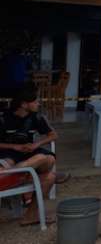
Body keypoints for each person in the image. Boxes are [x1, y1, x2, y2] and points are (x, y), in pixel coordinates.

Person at [0, 85, 70, 225]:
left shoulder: (37, 117)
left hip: (28, 154)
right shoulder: (3, 118)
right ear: (24, 104)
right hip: (8, 153)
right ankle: (25, 178)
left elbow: (53, 135)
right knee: (49, 177)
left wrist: (35, 145)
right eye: (35, 101)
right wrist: (15, 146)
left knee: (48, 159)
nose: (39, 103)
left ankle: (22, 175)